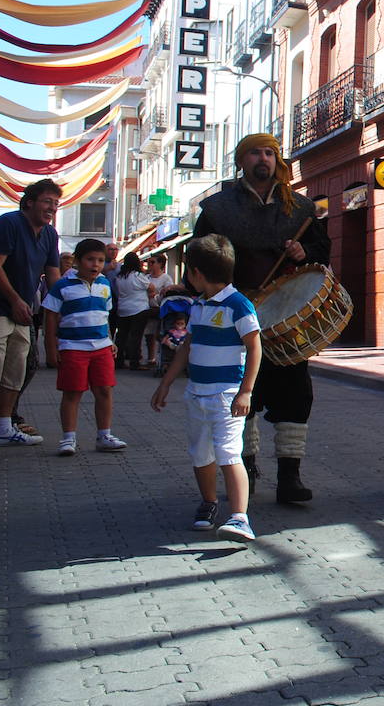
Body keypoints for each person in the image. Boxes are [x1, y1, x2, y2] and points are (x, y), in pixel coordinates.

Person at [193, 133, 330, 504]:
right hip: (237, 315)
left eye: (270, 153)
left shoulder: (300, 208)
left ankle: (290, 476)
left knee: (297, 394)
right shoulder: (218, 209)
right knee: (244, 394)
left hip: (286, 320)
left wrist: (305, 250)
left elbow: (323, 252)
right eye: (256, 152)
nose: (264, 159)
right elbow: (200, 258)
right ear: (242, 160)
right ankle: (247, 468)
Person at [150, 235, 262, 541]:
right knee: (200, 452)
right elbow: (188, 345)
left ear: (196, 273)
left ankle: (240, 517)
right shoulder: (198, 306)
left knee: (229, 453)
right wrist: (166, 382)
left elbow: (255, 348)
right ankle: (208, 503)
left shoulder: (239, 305)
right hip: (196, 393)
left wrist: (246, 391)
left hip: (226, 395)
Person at [0, 179, 61, 454]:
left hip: (23, 311)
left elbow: (54, 275)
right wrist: (14, 299)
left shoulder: (49, 234)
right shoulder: (8, 223)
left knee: (15, 369)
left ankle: (3, 426)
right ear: (30, 202)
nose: (52, 208)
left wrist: (66, 306)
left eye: (56, 204)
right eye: (47, 201)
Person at [42, 238, 126, 455]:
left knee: (104, 391)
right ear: (77, 261)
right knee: (72, 393)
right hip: (72, 348)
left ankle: (104, 435)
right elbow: (50, 316)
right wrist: (51, 348)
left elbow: (105, 315)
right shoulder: (62, 286)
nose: (95, 265)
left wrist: (110, 340)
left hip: (101, 348)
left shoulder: (105, 284)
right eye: (90, 259)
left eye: (100, 260)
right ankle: (68, 438)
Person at [113, 253, 153, 370]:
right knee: (135, 337)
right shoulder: (138, 275)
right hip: (138, 309)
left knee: (121, 336)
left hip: (122, 309)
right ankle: (134, 362)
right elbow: (151, 287)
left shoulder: (119, 277)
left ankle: (118, 361)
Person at [143, 255, 173, 368]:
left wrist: (155, 293)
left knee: (159, 334)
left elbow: (168, 293)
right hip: (148, 308)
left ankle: (160, 357)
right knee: (149, 334)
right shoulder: (146, 277)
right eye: (149, 262)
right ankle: (151, 358)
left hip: (160, 309)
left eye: (152, 262)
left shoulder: (166, 278)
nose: (150, 264)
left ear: (160, 264)